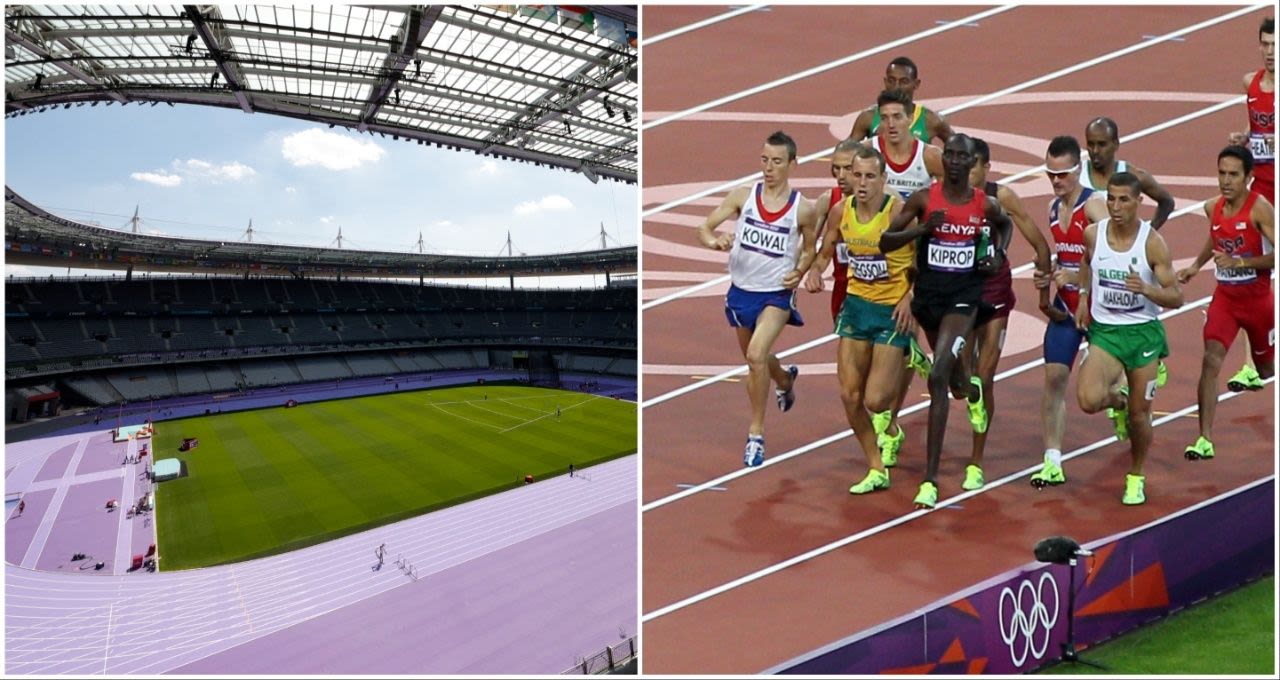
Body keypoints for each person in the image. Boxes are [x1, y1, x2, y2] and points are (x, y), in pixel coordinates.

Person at [880, 133, 1014, 508]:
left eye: (961, 156)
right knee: (955, 382)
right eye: (949, 155)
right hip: (928, 301)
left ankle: (930, 479)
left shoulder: (983, 204)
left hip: (963, 302)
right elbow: (886, 242)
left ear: (972, 164)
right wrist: (922, 230)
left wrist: (998, 257)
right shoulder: (925, 199)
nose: (954, 161)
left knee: (938, 376)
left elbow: (1005, 226)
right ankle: (970, 392)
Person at [697, 130, 820, 467]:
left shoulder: (802, 209)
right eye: (765, 160)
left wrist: (801, 269)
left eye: (777, 161)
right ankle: (784, 379)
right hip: (740, 292)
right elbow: (705, 228)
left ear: (792, 164)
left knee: (755, 355)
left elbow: (810, 249)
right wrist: (713, 241)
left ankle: (756, 434)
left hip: (776, 294)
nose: (769, 167)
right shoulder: (743, 196)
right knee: (758, 361)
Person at [806, 140, 912, 494]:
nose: (863, 182)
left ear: (883, 178)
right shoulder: (841, 211)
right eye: (858, 175)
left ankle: (893, 425)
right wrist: (814, 271)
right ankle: (875, 466)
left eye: (870, 176)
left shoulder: (899, 211)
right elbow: (825, 251)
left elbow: (924, 260)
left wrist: (910, 298)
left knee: (876, 400)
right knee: (850, 397)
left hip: (892, 308)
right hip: (856, 305)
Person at [1073, 172, 1183, 505]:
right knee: (1088, 399)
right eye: (1111, 199)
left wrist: (1146, 289)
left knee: (1140, 416)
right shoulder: (1094, 234)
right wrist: (1082, 296)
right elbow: (1085, 262)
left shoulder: (1151, 243)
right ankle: (1117, 402)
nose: (1116, 207)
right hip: (1106, 332)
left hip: (1143, 335)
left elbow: (1176, 297)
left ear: (1138, 202)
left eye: (1124, 200)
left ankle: (1135, 475)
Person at [959, 138, 1053, 490]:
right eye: (961, 167)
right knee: (962, 379)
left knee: (984, 377)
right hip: (960, 292)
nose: (966, 175)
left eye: (972, 168)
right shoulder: (944, 196)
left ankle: (976, 462)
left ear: (986, 168)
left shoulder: (1004, 198)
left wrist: (1044, 295)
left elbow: (1039, 243)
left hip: (995, 291)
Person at [1177, 146, 1275, 461]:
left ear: (1248, 177)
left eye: (1234, 174)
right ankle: (1204, 439)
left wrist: (1242, 264)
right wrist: (1195, 265)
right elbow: (1216, 237)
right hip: (1226, 300)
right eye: (1222, 173)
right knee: (1211, 360)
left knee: (1266, 369)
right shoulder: (1213, 208)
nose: (1226, 180)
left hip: (1259, 303)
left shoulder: (1260, 209)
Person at [861, 89, 942, 466]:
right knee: (870, 359)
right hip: (874, 263)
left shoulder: (927, 157)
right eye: (885, 118)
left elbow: (954, 197)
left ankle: (892, 418)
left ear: (912, 118)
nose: (891, 125)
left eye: (898, 117)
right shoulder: (869, 156)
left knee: (936, 354)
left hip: (921, 262)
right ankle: (889, 418)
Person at [1029, 136, 1111, 488]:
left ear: (1078, 170)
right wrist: (1046, 280)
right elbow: (1061, 256)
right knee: (1054, 379)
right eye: (1051, 174)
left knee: (1101, 393)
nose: (1056, 181)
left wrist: (1079, 279)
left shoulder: (1094, 206)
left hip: (1098, 307)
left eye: (1063, 174)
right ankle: (1052, 460)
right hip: (1066, 306)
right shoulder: (1052, 208)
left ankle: (1123, 398)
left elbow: (1112, 258)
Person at [1223, 16, 1275, 392]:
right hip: (1262, 190)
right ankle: (1251, 365)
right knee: (1253, 277)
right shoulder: (1251, 84)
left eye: (1276, 46)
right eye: (1265, 45)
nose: (1270, 53)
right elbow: (1256, 131)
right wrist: (1246, 137)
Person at [1081, 117, 1176, 229]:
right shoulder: (1076, 176)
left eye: (1102, 144)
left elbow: (1167, 201)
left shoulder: (1133, 175)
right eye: (1091, 144)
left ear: (1115, 144)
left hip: (1121, 245)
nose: (1095, 150)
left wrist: (1150, 231)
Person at [849, 56, 953, 144]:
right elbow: (845, 152)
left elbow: (960, 146)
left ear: (916, 84)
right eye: (891, 80)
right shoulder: (868, 117)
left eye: (904, 81)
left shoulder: (932, 120)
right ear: (885, 82)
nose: (896, 86)